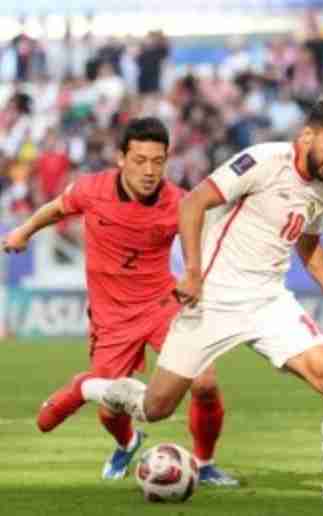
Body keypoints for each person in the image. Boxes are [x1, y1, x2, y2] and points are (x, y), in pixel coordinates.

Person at [73, 100, 323, 507]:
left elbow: (310, 249)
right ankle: (92, 388)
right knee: (154, 406)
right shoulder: (262, 160)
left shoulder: (319, 191)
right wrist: (191, 273)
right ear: (307, 135)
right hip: (214, 298)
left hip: (269, 301)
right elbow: (192, 204)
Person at [1, 118, 236, 485]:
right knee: (112, 406)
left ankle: (204, 464)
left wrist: (198, 274)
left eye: (158, 161)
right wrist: (23, 230)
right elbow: (56, 209)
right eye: (140, 159)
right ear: (120, 158)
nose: (149, 170)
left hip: (162, 304)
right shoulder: (92, 190)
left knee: (205, 383)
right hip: (111, 317)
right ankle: (127, 441)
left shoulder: (179, 202)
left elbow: (205, 244)